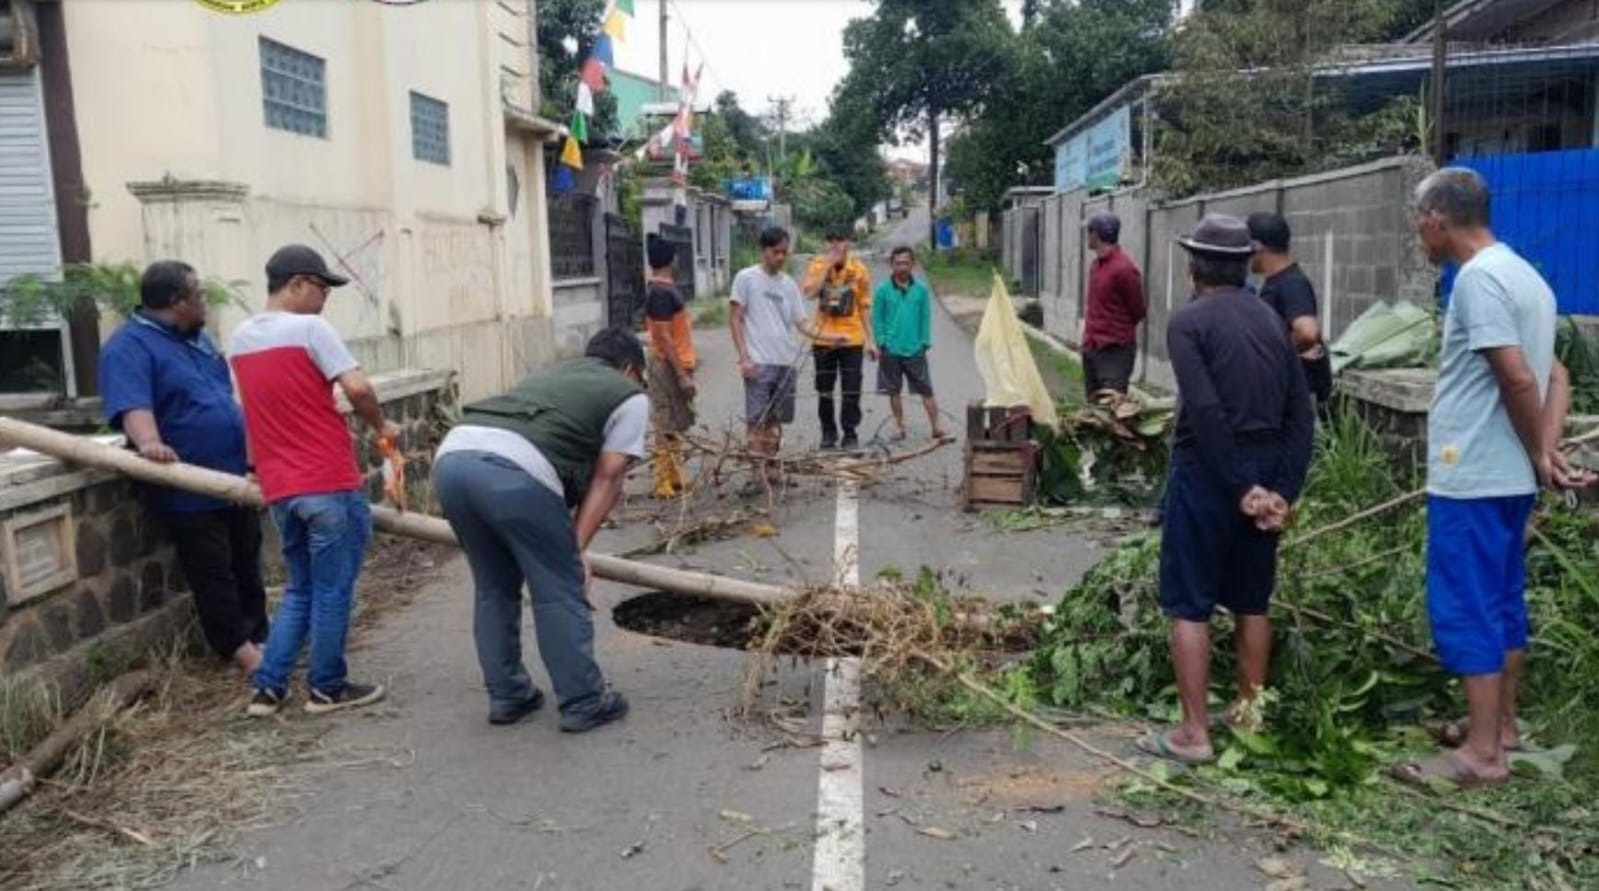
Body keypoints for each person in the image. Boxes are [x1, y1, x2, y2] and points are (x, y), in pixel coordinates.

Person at [1394, 168, 1594, 788]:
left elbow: (1518, 377)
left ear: (1438, 217)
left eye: (1417, 220)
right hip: (1507, 479)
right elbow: (1556, 375)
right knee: (1502, 601)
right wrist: (1545, 451)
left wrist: (1540, 449)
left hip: (1474, 475)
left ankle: (1481, 756)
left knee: (1467, 606)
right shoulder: (1523, 274)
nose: (1417, 233)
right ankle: (1501, 728)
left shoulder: (1478, 282)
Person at [1137, 214, 1314, 765]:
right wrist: (1281, 490)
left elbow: (1207, 412)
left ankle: (1194, 734)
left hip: (1210, 471)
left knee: (1189, 602)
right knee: (1250, 598)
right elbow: (1300, 414)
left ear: (1193, 268)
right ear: (1243, 265)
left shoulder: (1188, 323)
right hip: (1265, 467)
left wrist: (1241, 486)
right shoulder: (1269, 317)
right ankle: (1247, 711)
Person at [432, 328, 645, 732]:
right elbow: (609, 476)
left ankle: (508, 695)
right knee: (557, 588)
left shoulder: (553, 376)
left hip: (452, 460)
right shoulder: (628, 392)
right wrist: (575, 550)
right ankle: (583, 700)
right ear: (631, 368)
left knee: (494, 586)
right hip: (513, 471)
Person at [229, 244, 397, 718]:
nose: (325, 299)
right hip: (326, 480)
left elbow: (251, 414)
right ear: (296, 284)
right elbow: (358, 387)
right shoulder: (311, 329)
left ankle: (269, 686)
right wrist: (380, 426)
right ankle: (327, 687)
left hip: (281, 486)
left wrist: (254, 467)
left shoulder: (240, 338)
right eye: (321, 288)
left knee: (300, 587)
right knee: (333, 589)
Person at [99, 261, 267, 673]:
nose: (206, 302)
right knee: (213, 573)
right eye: (200, 295)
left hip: (232, 478)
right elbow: (132, 403)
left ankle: (262, 637)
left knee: (247, 559)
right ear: (177, 302)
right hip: (188, 485)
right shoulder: (128, 347)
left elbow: (224, 397)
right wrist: (150, 443)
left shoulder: (197, 339)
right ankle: (239, 650)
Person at [729, 226, 844, 491]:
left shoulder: (788, 284)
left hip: (785, 362)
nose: (780, 257)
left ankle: (772, 468)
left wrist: (828, 337)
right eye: (775, 252)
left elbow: (802, 322)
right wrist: (744, 358)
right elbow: (735, 318)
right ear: (763, 251)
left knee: (776, 420)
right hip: (758, 362)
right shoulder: (746, 278)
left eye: (784, 252)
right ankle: (757, 475)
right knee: (757, 420)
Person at [1247, 212, 1333, 416]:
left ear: (1258, 247)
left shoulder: (1292, 283)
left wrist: (1271, 350)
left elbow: (1308, 332)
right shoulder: (1277, 282)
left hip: (1300, 396)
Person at [801, 225, 876, 450]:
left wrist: (870, 341)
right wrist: (827, 267)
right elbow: (810, 293)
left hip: (851, 339)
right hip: (824, 339)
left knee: (851, 388)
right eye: (830, 240)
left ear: (848, 242)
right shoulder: (816, 265)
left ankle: (850, 433)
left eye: (840, 239)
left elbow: (863, 307)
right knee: (824, 389)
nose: (835, 244)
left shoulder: (859, 270)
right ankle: (828, 432)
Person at [870, 245, 946, 441]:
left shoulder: (921, 289)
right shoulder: (882, 290)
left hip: (915, 349)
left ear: (913, 264)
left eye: (906, 262)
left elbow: (925, 317)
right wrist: (881, 341)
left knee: (926, 389)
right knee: (893, 391)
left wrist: (925, 341)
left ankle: (936, 426)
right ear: (891, 265)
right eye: (898, 263)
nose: (902, 267)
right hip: (890, 350)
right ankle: (899, 426)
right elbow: (877, 318)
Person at [643, 234, 696, 499]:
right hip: (666, 365)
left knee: (676, 422)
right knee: (665, 422)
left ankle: (675, 475)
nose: (678, 261)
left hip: (674, 364)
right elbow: (664, 337)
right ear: (670, 260)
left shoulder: (664, 288)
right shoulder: (661, 292)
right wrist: (681, 374)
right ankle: (662, 480)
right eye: (676, 257)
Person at [1080, 213, 1147, 402]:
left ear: (1097, 235)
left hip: (1115, 353)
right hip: (1092, 349)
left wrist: (1115, 331)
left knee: (1113, 413)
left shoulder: (1124, 269)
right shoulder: (1095, 266)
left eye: (1089, 231)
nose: (1087, 236)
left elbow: (1138, 310)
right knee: (1093, 412)